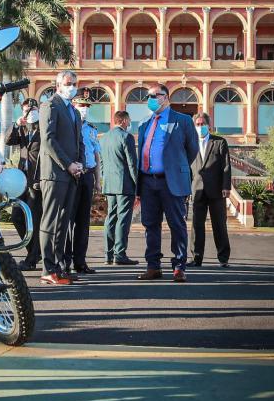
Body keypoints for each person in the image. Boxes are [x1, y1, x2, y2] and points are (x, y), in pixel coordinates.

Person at [136, 84, 198, 283]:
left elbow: (192, 150)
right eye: (149, 96)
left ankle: (179, 266)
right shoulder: (144, 123)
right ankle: (153, 266)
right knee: (150, 225)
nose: (151, 99)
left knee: (177, 224)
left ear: (167, 98)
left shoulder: (183, 120)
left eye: (156, 95)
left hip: (170, 182)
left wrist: (175, 168)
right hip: (147, 182)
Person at [38, 71, 85, 286]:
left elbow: (79, 142)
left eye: (74, 84)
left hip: (72, 174)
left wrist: (79, 164)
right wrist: (68, 164)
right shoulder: (50, 105)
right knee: (51, 221)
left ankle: (60, 267)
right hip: (55, 174)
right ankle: (48, 269)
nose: (72, 87)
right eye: (68, 84)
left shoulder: (73, 112)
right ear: (58, 85)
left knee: (63, 224)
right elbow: (48, 140)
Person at [188, 112, 232, 268]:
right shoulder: (190, 144)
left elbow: (226, 166)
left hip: (216, 191)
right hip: (197, 190)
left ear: (208, 125)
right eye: (198, 125)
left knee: (219, 225)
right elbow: (187, 168)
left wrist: (226, 187)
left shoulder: (219, 142)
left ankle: (223, 257)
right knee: (196, 226)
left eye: (202, 124)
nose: (200, 127)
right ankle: (196, 258)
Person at [65, 88, 101, 276]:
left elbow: (96, 154)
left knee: (83, 222)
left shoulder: (91, 129)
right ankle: (65, 261)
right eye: (81, 105)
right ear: (73, 105)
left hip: (87, 176)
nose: (85, 108)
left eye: (87, 106)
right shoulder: (69, 125)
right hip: (72, 176)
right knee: (68, 220)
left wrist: (98, 180)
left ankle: (80, 261)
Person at [5, 98, 42, 271]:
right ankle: (33, 252)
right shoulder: (21, 128)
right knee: (16, 216)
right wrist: (16, 124)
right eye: (26, 110)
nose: (29, 113)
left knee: (34, 219)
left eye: (32, 110)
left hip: (37, 179)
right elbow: (8, 141)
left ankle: (32, 259)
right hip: (21, 179)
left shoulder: (44, 128)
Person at [101, 110, 139, 266]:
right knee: (123, 219)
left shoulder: (104, 138)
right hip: (124, 184)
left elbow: (102, 163)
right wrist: (138, 184)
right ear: (123, 121)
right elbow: (132, 163)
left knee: (111, 218)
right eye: (128, 120)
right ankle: (120, 254)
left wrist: (104, 179)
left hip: (109, 183)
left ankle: (108, 255)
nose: (130, 123)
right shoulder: (126, 137)